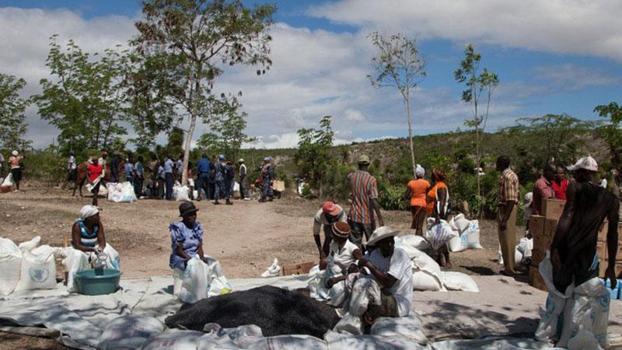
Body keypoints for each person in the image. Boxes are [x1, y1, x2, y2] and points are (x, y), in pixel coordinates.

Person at [551, 156, 619, 293]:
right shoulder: (611, 200)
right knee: (583, 300)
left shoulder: (575, 188)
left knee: (560, 296)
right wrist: (611, 266)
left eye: (576, 172)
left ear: (583, 173)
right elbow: (612, 234)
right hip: (589, 256)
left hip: (568, 251)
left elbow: (566, 218)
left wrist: (554, 247)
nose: (574, 175)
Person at [348, 226, 413, 326]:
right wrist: (356, 266)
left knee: (365, 285)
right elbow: (360, 262)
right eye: (386, 243)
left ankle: (355, 321)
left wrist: (370, 266)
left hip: (398, 302)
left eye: (392, 241)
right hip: (382, 295)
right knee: (355, 281)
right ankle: (361, 316)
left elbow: (388, 282)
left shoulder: (400, 255)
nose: (390, 245)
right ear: (378, 245)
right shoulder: (376, 254)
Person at [347, 155, 384, 248]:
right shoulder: (371, 180)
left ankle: (357, 261)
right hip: (367, 217)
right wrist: (380, 218)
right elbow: (374, 199)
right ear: (368, 165)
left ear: (358, 164)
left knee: (355, 244)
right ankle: (370, 260)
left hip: (353, 215)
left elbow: (348, 176)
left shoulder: (352, 176)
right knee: (372, 243)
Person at [496, 155, 520, 276]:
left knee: (507, 238)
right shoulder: (511, 175)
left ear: (501, 164)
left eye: (497, 163)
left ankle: (510, 269)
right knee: (507, 238)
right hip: (508, 208)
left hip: (507, 208)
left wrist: (505, 218)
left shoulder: (507, 176)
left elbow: (510, 199)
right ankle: (509, 266)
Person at [322, 222, 363, 290]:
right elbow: (330, 259)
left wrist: (339, 279)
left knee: (334, 290)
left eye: (333, 234)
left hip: (343, 278)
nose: (331, 236)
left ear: (339, 237)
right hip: (331, 273)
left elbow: (361, 271)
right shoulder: (333, 243)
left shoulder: (353, 249)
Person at [169, 201, 208, 271]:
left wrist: (201, 258)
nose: (194, 216)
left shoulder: (197, 227)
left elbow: (200, 247)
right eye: (190, 215)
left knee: (211, 264)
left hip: (194, 256)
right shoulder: (179, 228)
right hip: (182, 258)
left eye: (194, 214)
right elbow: (178, 250)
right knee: (193, 267)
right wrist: (191, 260)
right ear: (184, 216)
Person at [426, 169, 450, 266]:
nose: (430, 177)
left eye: (432, 175)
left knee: (440, 237)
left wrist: (439, 216)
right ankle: (439, 259)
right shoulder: (436, 186)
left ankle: (447, 258)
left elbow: (442, 201)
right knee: (435, 238)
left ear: (435, 177)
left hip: (437, 216)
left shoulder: (441, 186)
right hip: (433, 215)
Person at [405, 164, 430, 235]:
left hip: (413, 204)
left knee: (417, 224)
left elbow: (406, 195)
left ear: (416, 174)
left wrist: (412, 196)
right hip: (422, 204)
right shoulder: (426, 183)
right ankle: (418, 240)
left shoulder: (411, 183)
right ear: (423, 174)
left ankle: (418, 238)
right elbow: (429, 195)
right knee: (420, 225)